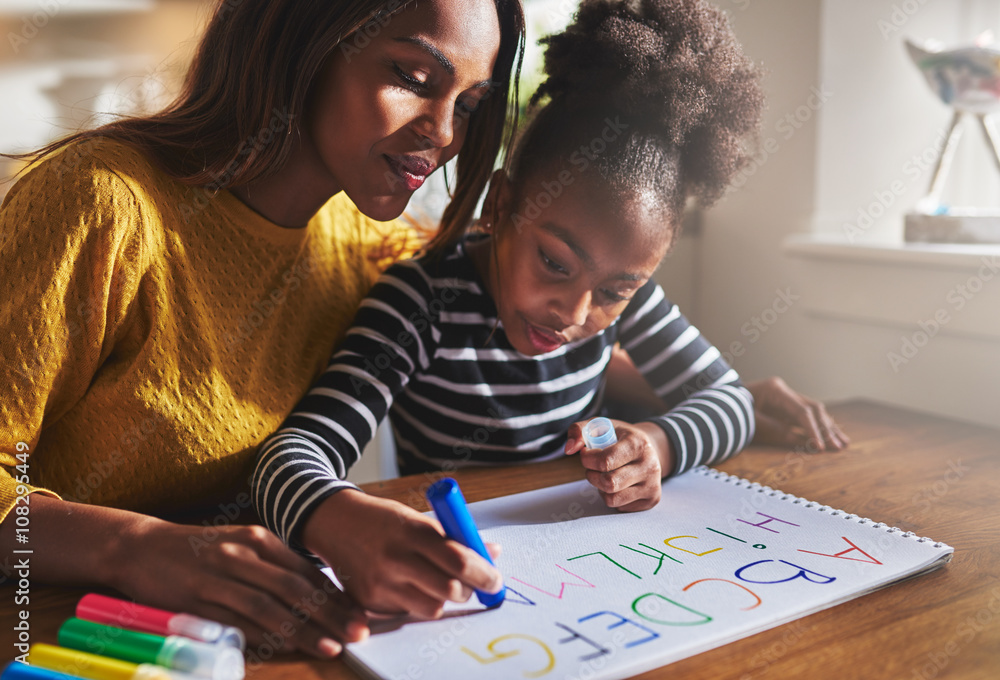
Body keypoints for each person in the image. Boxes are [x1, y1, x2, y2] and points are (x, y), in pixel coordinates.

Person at [252, 0, 809, 631]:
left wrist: (657, 444)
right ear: (502, 204)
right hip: (463, 580)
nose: (574, 311)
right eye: (554, 262)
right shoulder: (419, 303)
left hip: (578, 576)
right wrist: (337, 515)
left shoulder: (627, 302)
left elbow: (731, 401)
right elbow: (290, 456)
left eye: (616, 289)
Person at [0, 0, 525, 659]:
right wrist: (134, 548)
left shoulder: (367, 246)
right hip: (49, 637)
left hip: (217, 646)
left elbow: (538, 314)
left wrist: (648, 433)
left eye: (470, 106)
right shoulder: (101, 205)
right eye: (414, 78)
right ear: (301, 38)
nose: (445, 133)